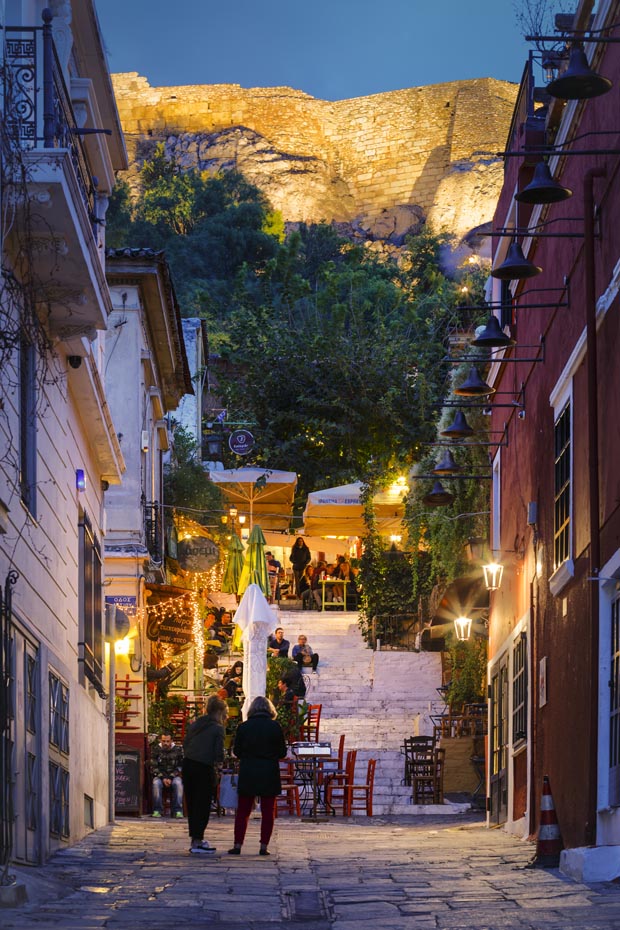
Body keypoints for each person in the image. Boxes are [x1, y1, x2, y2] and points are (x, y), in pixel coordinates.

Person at [228, 695, 287, 856]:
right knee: (268, 812)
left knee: (243, 811)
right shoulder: (275, 727)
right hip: (269, 772)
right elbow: (282, 752)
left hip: (249, 771)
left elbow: (237, 751)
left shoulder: (243, 727)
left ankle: (238, 844)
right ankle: (263, 846)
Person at [182, 694, 228, 854]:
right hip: (203, 767)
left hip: (188, 765)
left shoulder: (196, 724)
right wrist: (220, 765)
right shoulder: (218, 728)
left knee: (192, 803)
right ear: (220, 712)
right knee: (202, 805)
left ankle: (195, 839)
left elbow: (186, 743)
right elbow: (218, 753)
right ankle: (198, 840)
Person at [150, 733, 184, 818]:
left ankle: (177, 811)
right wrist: (163, 778)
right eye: (163, 741)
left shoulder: (178, 750)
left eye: (168, 741)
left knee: (178, 784)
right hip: (160, 775)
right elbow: (153, 766)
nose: (165, 743)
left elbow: (180, 766)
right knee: (156, 784)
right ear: (160, 740)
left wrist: (171, 777)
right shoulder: (156, 749)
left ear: (171, 741)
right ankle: (157, 810)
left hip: (174, 776)